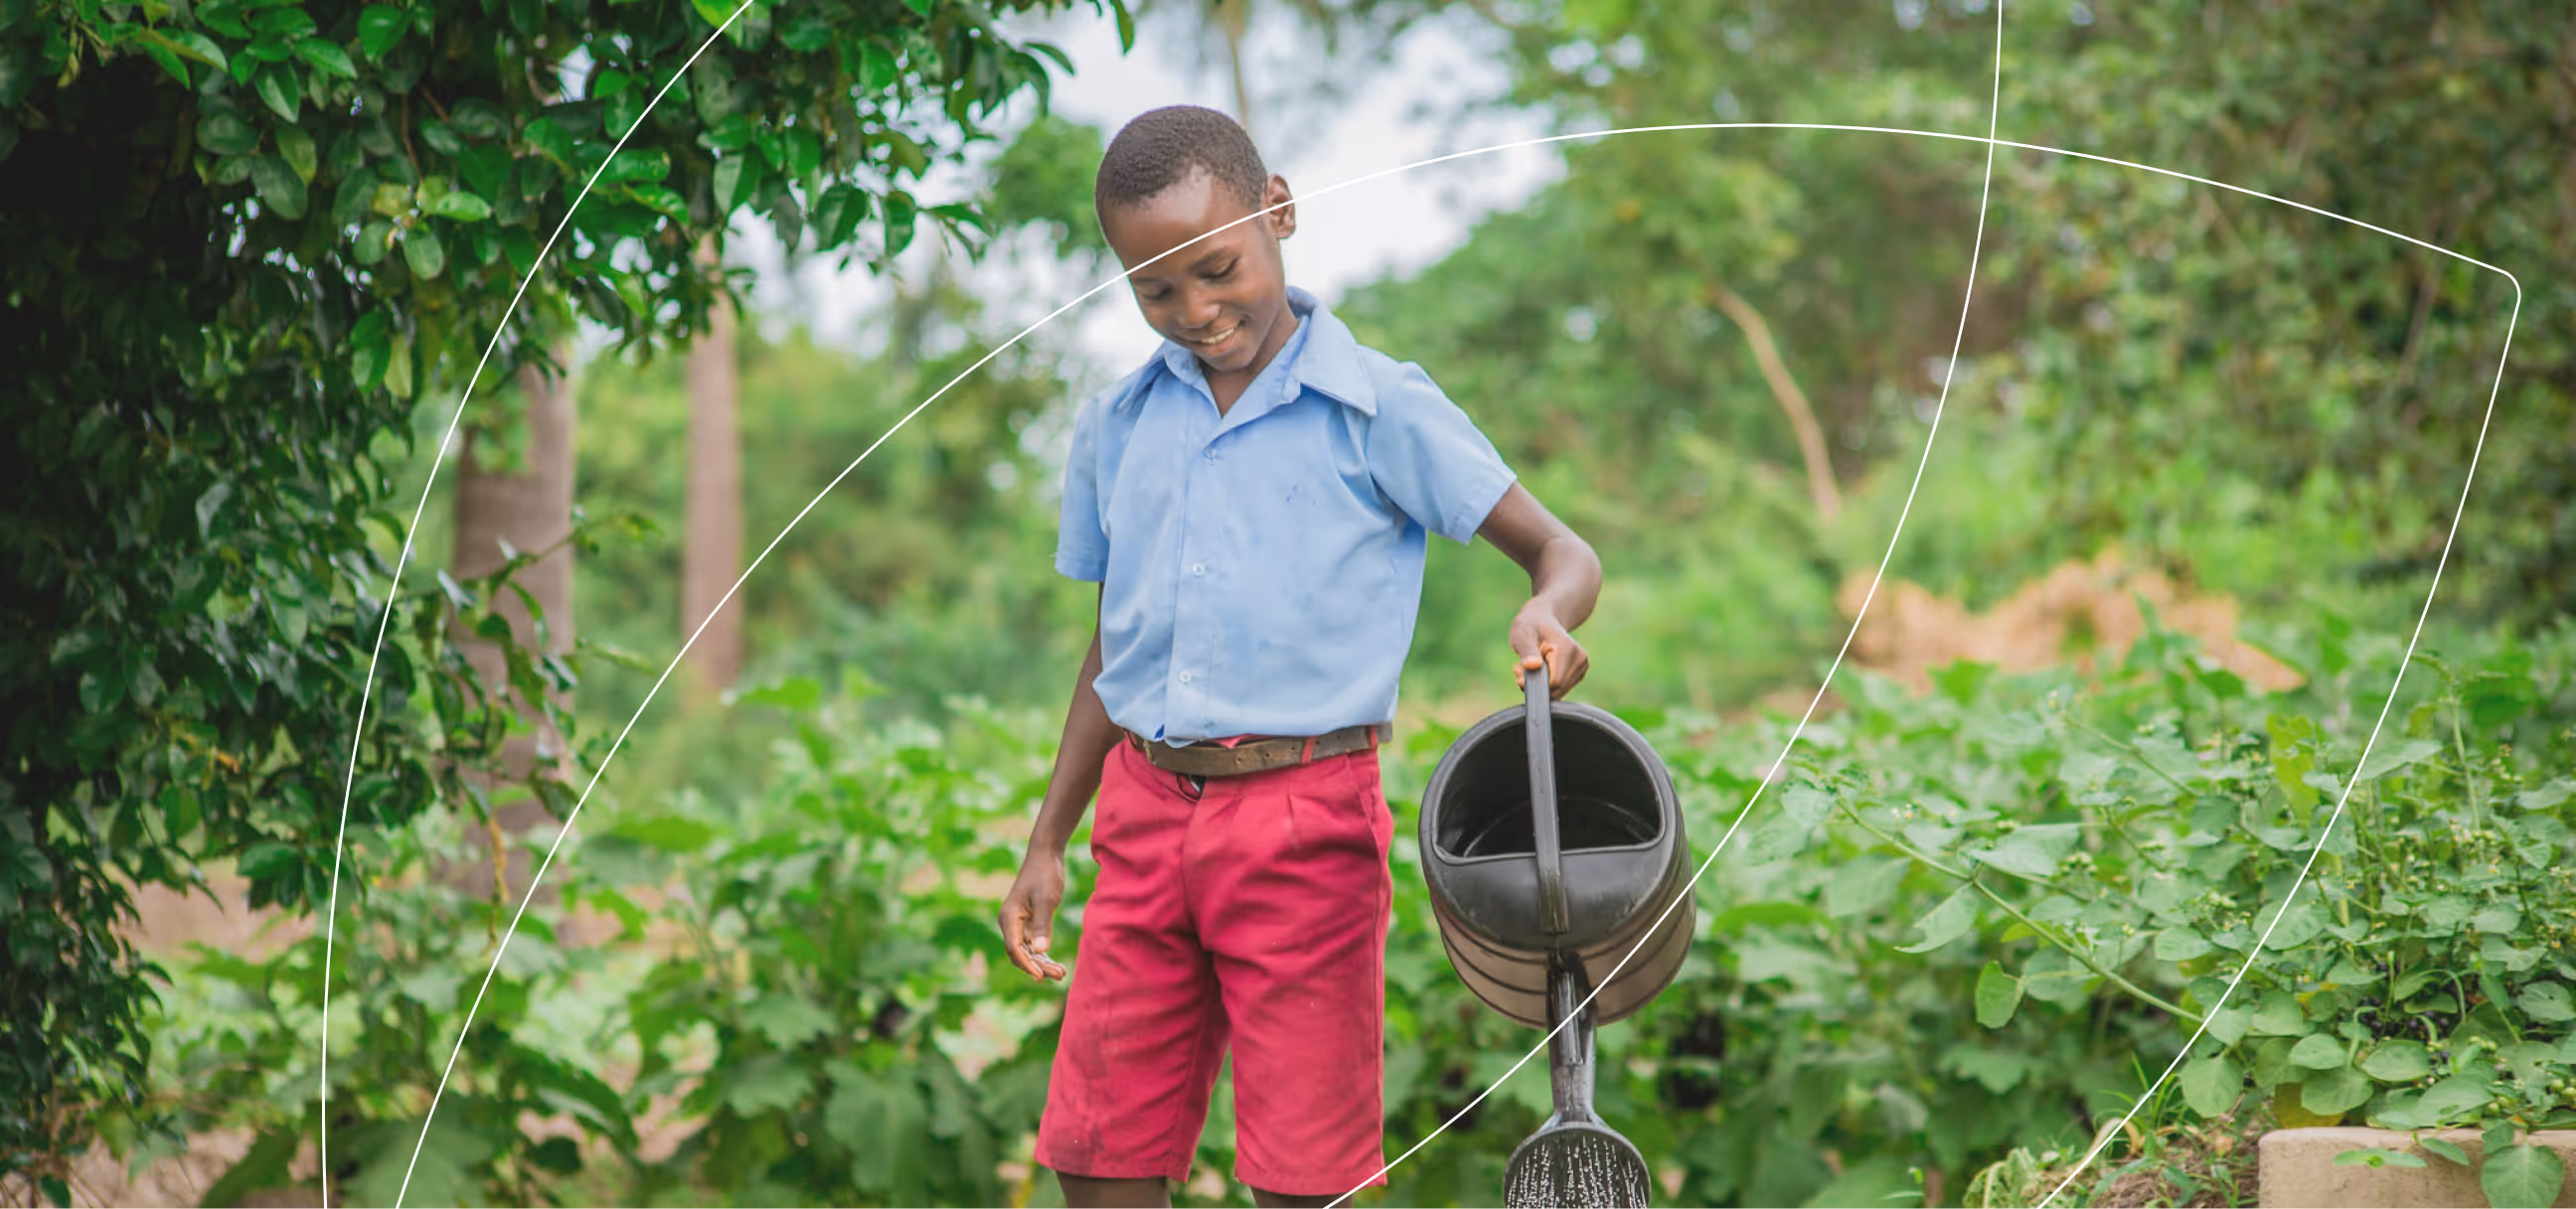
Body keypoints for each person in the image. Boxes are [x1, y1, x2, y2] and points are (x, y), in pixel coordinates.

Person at [996, 103, 1603, 1209]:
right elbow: (1108, 648)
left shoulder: (1380, 406)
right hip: (1141, 814)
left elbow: (1562, 551)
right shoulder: (1119, 424)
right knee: (1098, 1157)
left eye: (1217, 268)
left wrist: (1548, 615)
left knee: (1304, 1179)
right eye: (1155, 290)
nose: (1196, 309)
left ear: (1278, 208)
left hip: (1304, 817)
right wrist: (1049, 835)